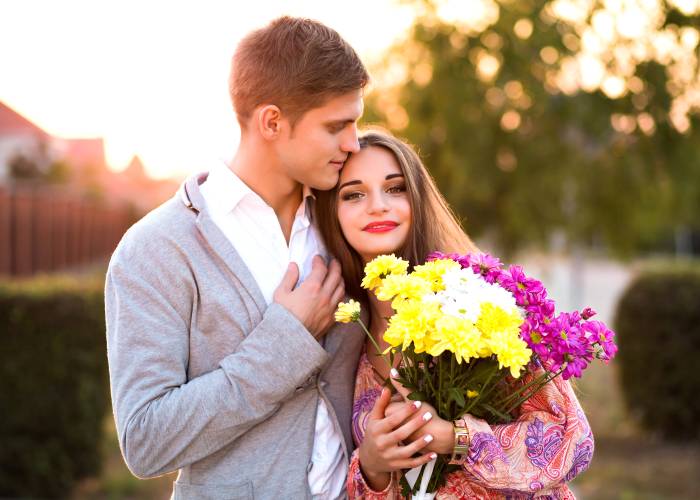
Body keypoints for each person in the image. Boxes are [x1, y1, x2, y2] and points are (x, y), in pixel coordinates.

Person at [105, 17, 369, 499]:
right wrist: (287, 340)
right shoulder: (157, 249)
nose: (353, 142)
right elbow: (145, 441)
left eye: (355, 123)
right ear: (272, 121)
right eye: (337, 126)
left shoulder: (346, 223)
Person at [315, 130, 594, 498]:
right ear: (331, 214)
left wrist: (456, 437)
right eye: (353, 194)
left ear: (417, 199)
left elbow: (571, 439)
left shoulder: (477, 302)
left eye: (395, 188)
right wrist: (372, 467)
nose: (378, 205)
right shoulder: (346, 337)